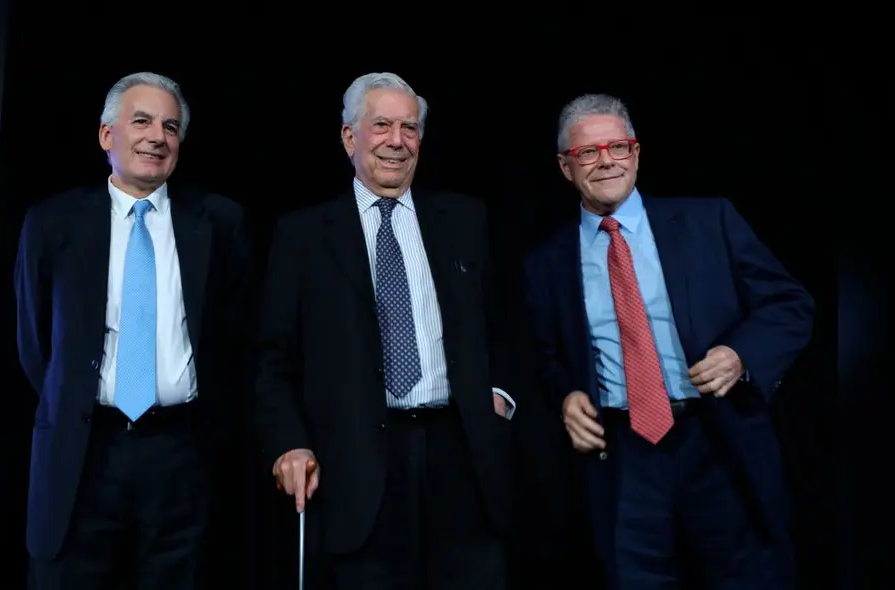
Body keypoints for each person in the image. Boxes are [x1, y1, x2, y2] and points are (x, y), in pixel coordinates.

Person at [522, 93, 814, 589]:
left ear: (636, 153)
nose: (607, 160)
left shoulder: (709, 221)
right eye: (588, 153)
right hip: (623, 457)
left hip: (718, 441)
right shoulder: (545, 263)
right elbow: (544, 358)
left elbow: (790, 304)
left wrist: (740, 353)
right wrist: (565, 396)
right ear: (565, 166)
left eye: (619, 146)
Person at [255, 72, 515, 590]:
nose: (397, 141)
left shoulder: (466, 219)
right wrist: (290, 443)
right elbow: (271, 357)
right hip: (355, 463)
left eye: (409, 128)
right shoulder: (302, 236)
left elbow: (506, 324)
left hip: (460, 456)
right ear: (350, 137)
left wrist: (500, 398)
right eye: (381, 126)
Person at [15, 72, 253, 590]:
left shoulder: (220, 222)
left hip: (181, 454)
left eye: (170, 126)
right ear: (107, 135)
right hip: (82, 452)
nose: (157, 136)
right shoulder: (53, 222)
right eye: (141, 121)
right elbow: (36, 345)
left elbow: (235, 339)